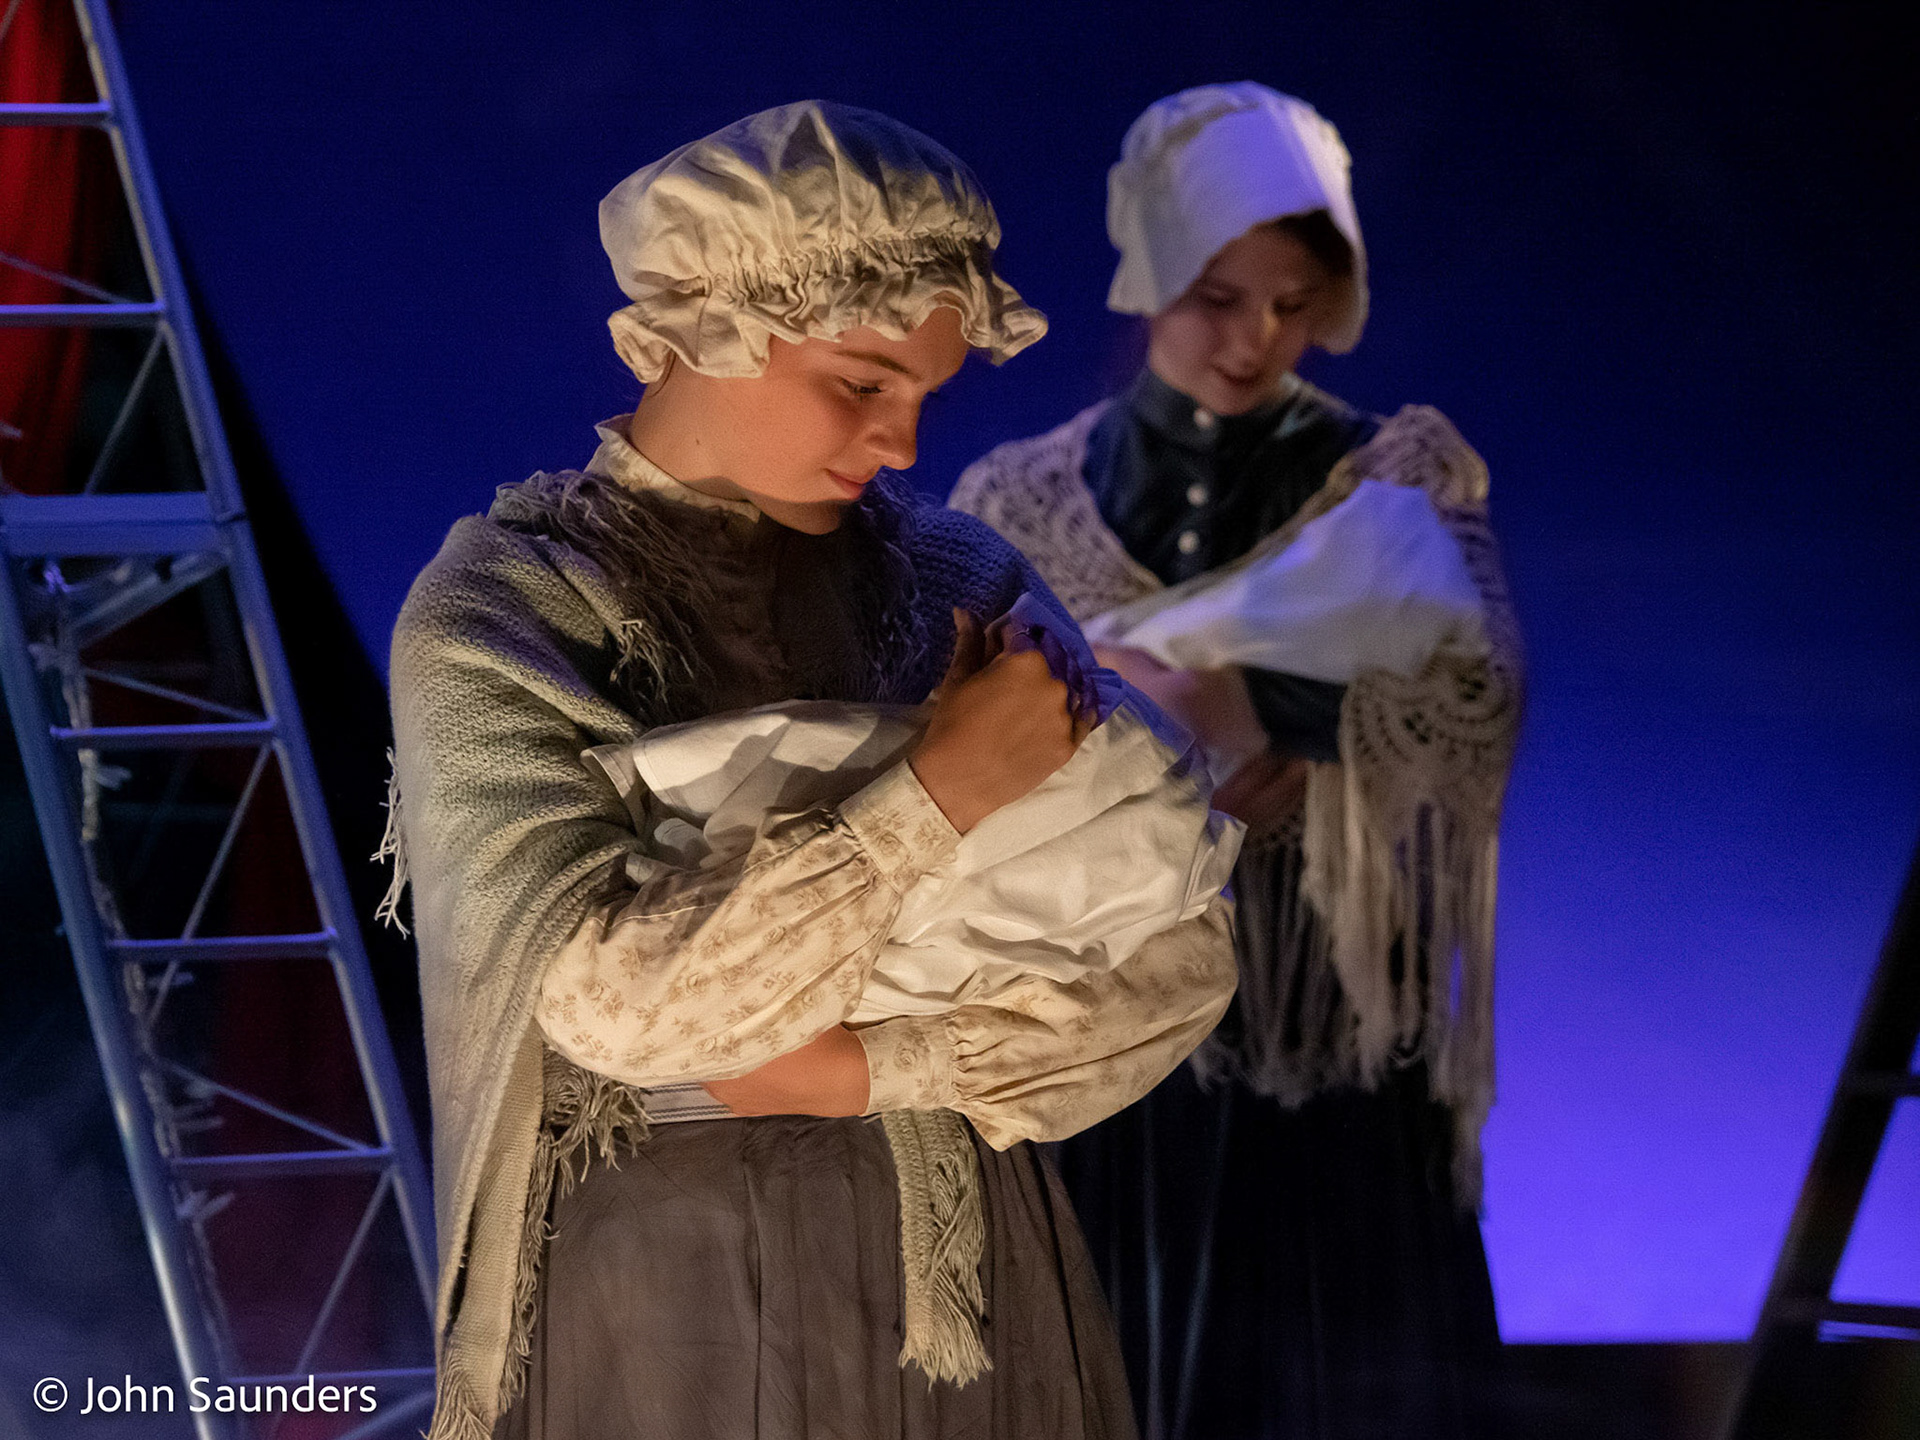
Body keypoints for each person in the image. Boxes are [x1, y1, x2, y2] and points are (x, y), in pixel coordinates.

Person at [383, 100, 1239, 1440]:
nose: (902, 446)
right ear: (715, 326)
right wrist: (936, 797)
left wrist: (869, 1070)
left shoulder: (956, 576)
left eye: (924, 397)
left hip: (971, 1271)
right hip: (673, 1287)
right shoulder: (518, 605)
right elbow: (607, 1001)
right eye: (860, 384)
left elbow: (1179, 955)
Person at [949, 84, 1524, 1440]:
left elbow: (1475, 696)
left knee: (1343, 1362)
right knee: (1129, 1354)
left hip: (1326, 1009)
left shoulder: (1395, 476)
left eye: (1291, 302)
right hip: (1107, 1018)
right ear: (1153, 269)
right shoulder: (1018, 500)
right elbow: (958, 717)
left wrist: (1257, 706)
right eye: (1218, 298)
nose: (1254, 337)